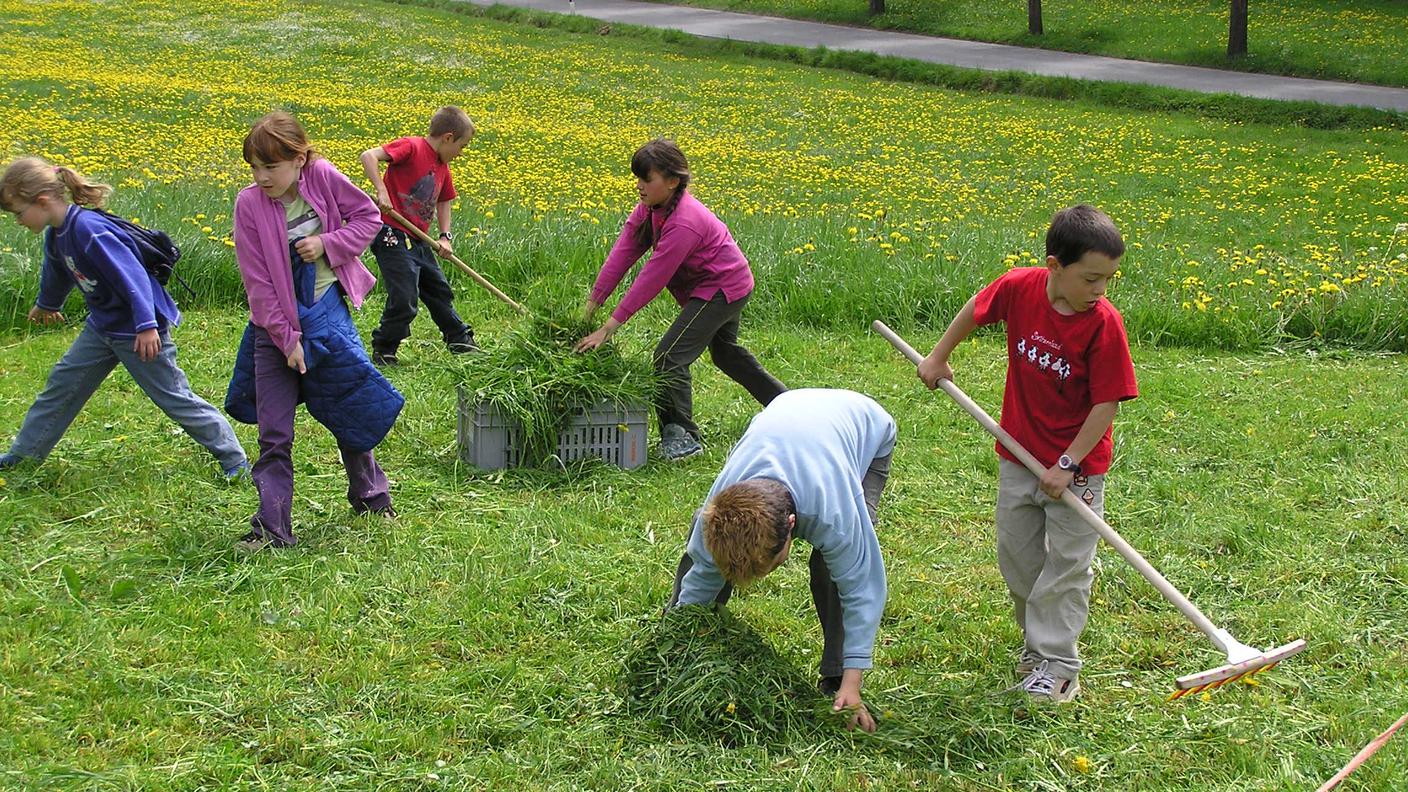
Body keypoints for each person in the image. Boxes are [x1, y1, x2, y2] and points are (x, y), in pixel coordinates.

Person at [917, 204, 1139, 702]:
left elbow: (1107, 404)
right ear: (1055, 266)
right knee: (1017, 560)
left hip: (1076, 468)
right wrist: (939, 355)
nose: (1100, 290)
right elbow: (977, 308)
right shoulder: (1020, 287)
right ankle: (1035, 650)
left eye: (1108, 279)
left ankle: (1058, 666)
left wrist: (1067, 464)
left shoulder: (1103, 323)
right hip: (1018, 454)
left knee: (1066, 566)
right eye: (1091, 278)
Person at [0, 157, 247, 477]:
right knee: (62, 386)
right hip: (102, 327)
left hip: (139, 331)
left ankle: (234, 459)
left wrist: (146, 326)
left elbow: (134, 277)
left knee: (174, 397)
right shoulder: (57, 234)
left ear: (42, 200)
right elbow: (57, 272)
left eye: (19, 213)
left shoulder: (90, 230)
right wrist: (48, 304)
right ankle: (24, 456)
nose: (18, 221)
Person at [225, 112, 403, 551]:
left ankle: (372, 497)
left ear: (299, 158)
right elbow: (258, 284)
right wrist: (287, 341)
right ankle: (272, 527)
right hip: (272, 332)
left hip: (327, 319)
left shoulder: (321, 176)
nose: (262, 176)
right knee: (274, 433)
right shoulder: (249, 205)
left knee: (348, 406)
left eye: (272, 167)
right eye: (254, 167)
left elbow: (367, 218)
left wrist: (327, 243)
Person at [669, 388, 896, 732]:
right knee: (703, 551)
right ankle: (690, 635)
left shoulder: (834, 512)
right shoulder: (717, 510)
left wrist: (854, 683)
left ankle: (837, 676)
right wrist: (678, 642)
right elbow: (703, 573)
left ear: (792, 525)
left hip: (864, 426)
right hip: (789, 411)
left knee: (832, 568)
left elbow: (863, 587)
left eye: (773, 564)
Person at [574, 139, 785, 460]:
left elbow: (652, 278)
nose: (639, 186)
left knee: (669, 356)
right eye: (638, 178)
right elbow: (623, 253)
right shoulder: (650, 209)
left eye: (647, 179)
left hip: (722, 288)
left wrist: (608, 328)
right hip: (715, 285)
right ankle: (786, 405)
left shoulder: (685, 221)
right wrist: (592, 306)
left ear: (672, 181)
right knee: (726, 354)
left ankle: (683, 435)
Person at [361, 106, 478, 366]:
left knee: (439, 290)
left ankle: (459, 340)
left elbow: (445, 200)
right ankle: (385, 347)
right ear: (448, 137)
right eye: (462, 146)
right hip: (391, 233)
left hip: (419, 239)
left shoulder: (442, 167)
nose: (461, 153)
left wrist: (445, 236)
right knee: (405, 296)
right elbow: (368, 155)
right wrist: (381, 190)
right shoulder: (412, 147)